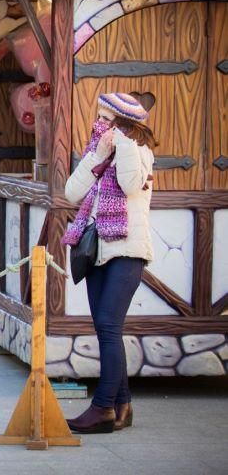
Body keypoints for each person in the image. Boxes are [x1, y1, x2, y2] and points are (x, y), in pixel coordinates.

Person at [64, 92, 156, 434]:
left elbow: (130, 184)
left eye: (106, 118)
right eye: (99, 117)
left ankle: (103, 408)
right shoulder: (96, 152)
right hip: (96, 251)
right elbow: (71, 193)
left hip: (127, 251)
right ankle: (123, 405)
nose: (99, 124)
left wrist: (125, 145)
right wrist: (98, 156)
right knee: (105, 329)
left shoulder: (140, 152)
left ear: (122, 124)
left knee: (108, 325)